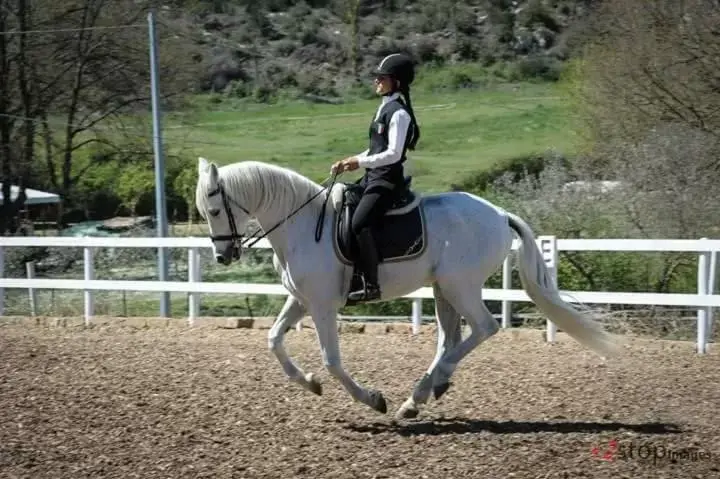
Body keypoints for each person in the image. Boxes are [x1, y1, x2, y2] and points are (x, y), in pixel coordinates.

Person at [330, 52, 421, 302]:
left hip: (387, 181)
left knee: (359, 223)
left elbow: (393, 154)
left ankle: (371, 284)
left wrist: (359, 161)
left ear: (397, 82)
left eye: (382, 77)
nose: (377, 81)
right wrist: (351, 161)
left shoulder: (399, 114)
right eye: (377, 77)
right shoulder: (384, 109)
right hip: (372, 177)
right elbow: (376, 150)